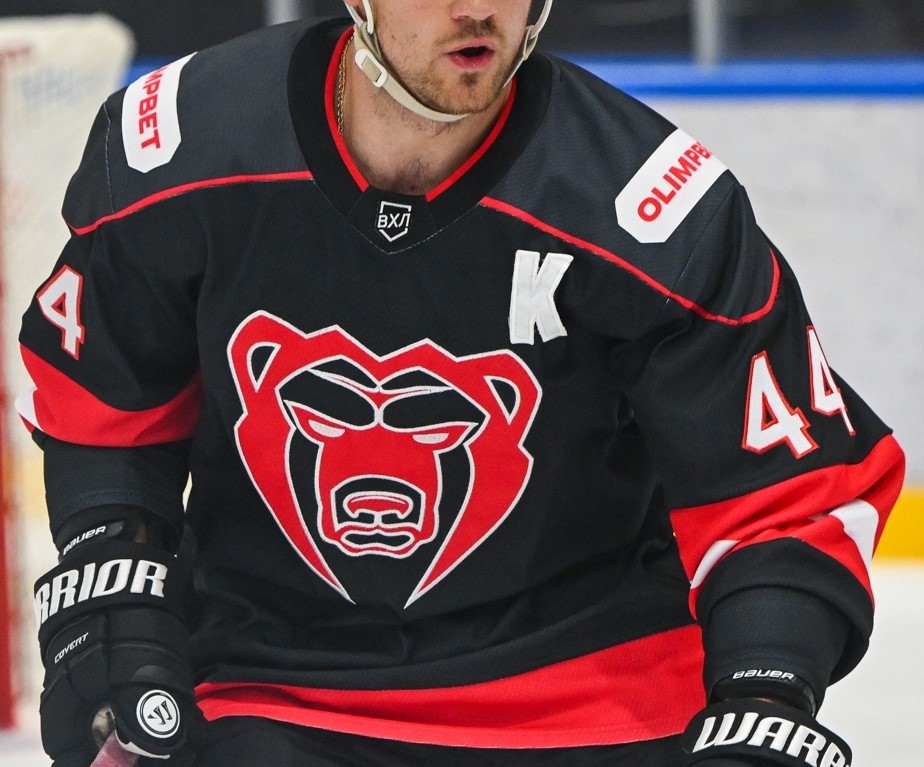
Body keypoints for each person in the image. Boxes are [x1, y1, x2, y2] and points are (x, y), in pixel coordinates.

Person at [21, 1, 904, 765]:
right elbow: (106, 393)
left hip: (594, 694)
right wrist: (112, 562)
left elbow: (780, 497)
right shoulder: (189, 147)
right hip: (274, 685)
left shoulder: (645, 207)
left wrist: (765, 690)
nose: (478, 8)